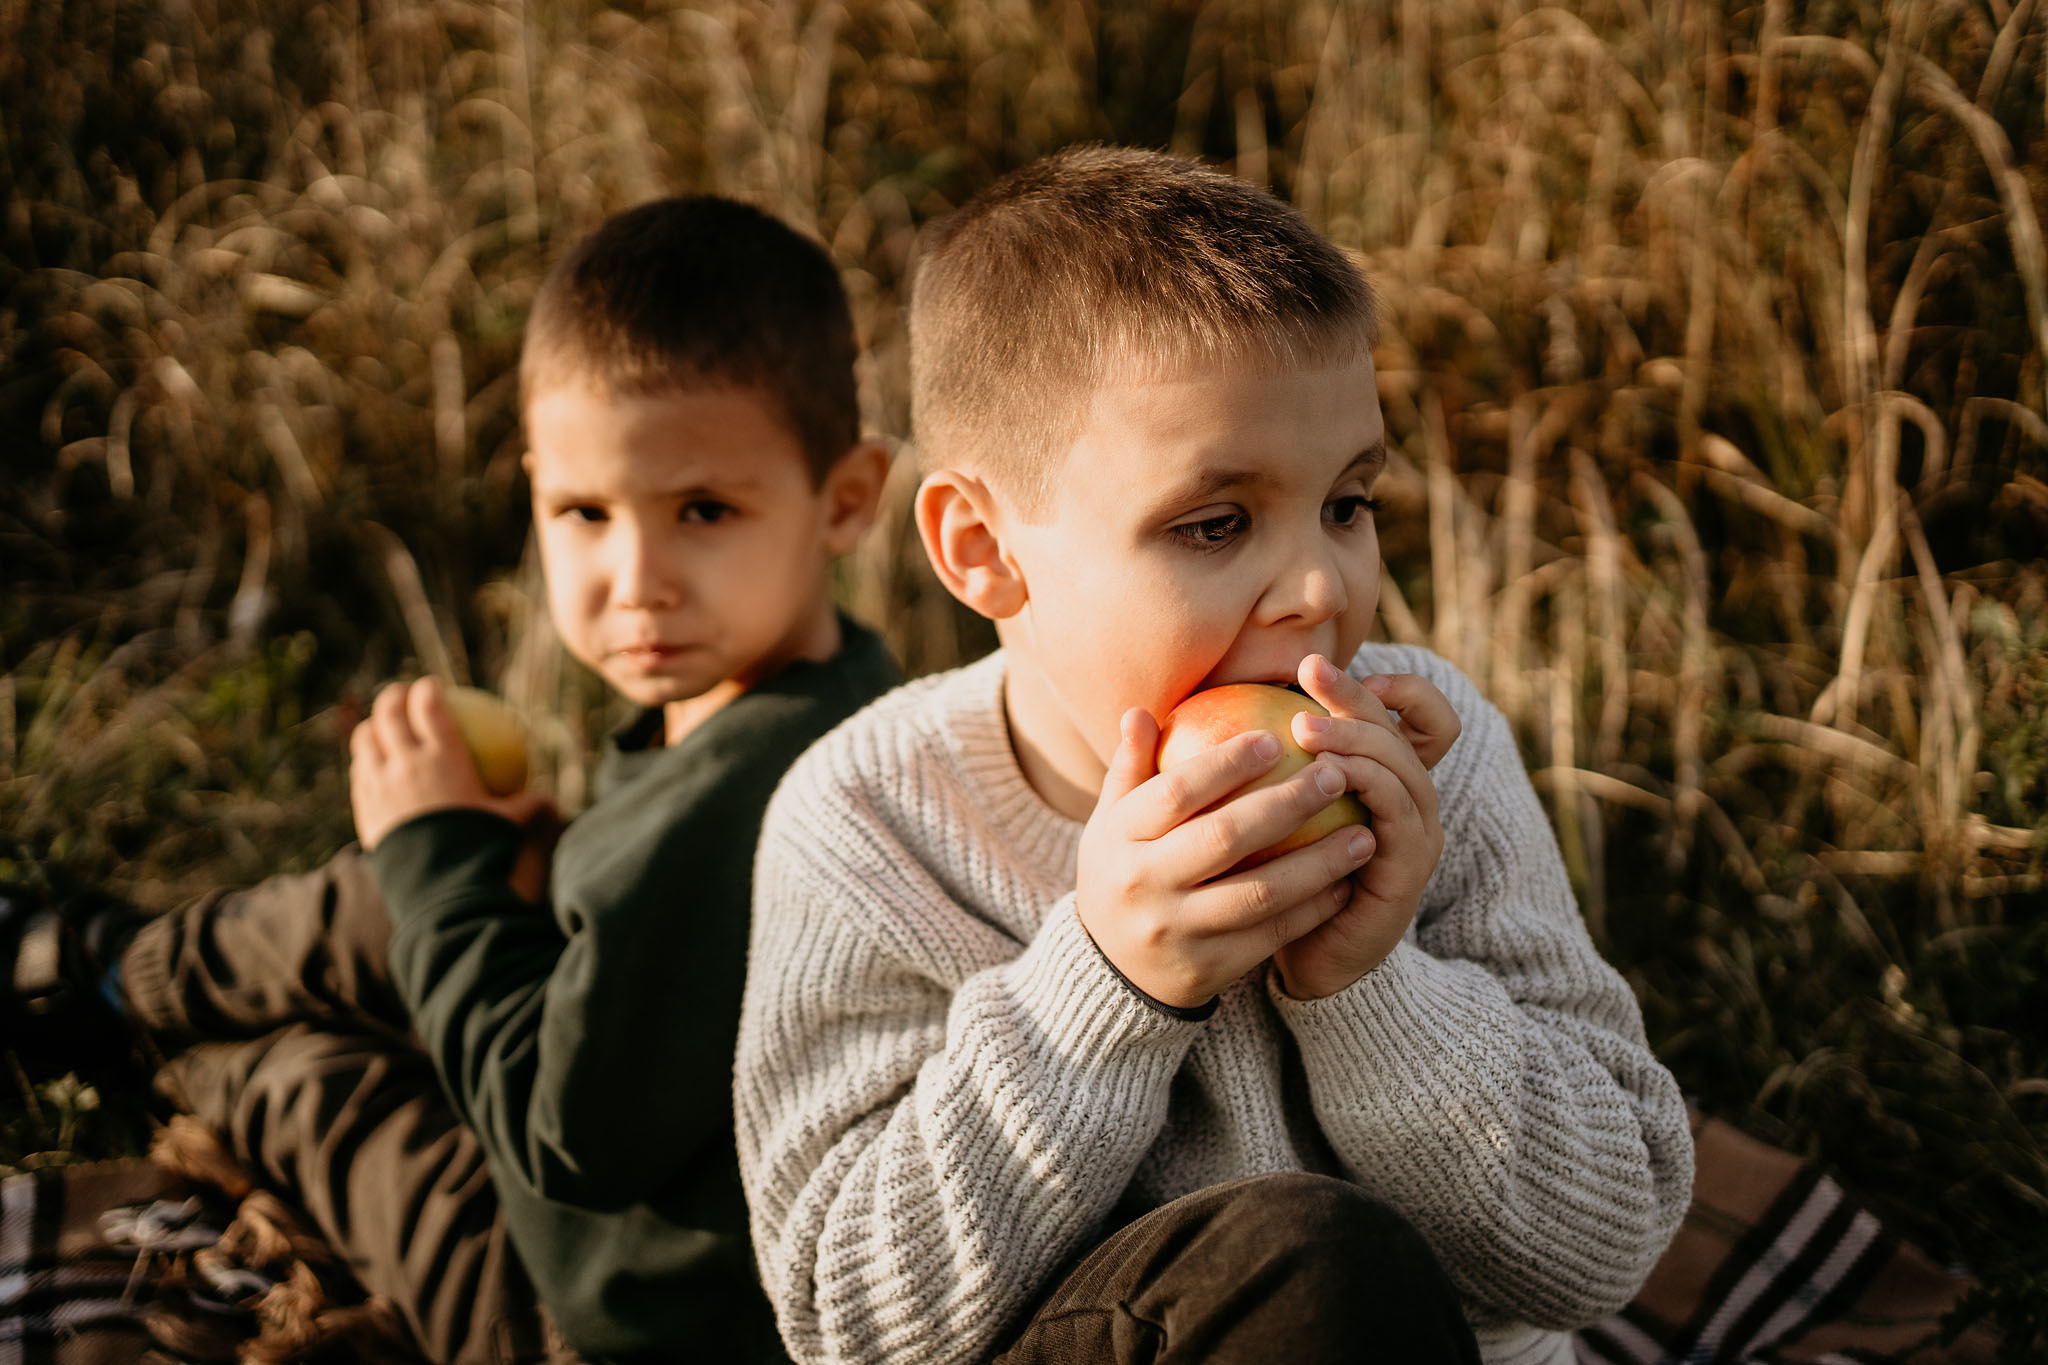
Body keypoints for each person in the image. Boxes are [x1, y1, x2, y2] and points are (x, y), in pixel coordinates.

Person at [733, 146, 1695, 1365]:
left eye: (1348, 504)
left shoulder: (1428, 757)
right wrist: (1101, 990)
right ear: (981, 548)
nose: (1318, 586)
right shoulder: (872, 824)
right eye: (1214, 524)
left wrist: (1371, 984)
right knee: (1305, 1270)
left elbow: (1606, 1249)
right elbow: (848, 1324)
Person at [11, 194, 899, 1363]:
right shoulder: (830, 687)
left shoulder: (750, 800)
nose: (634, 579)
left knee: (313, 1073)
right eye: (583, 512)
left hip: (583, 1311)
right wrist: (510, 868)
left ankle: (147, 1025)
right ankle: (122, 974)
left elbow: (559, 1138)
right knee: (399, 908)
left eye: (702, 511)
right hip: (623, 1218)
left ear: (842, 500)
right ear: (534, 485)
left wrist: (438, 859)